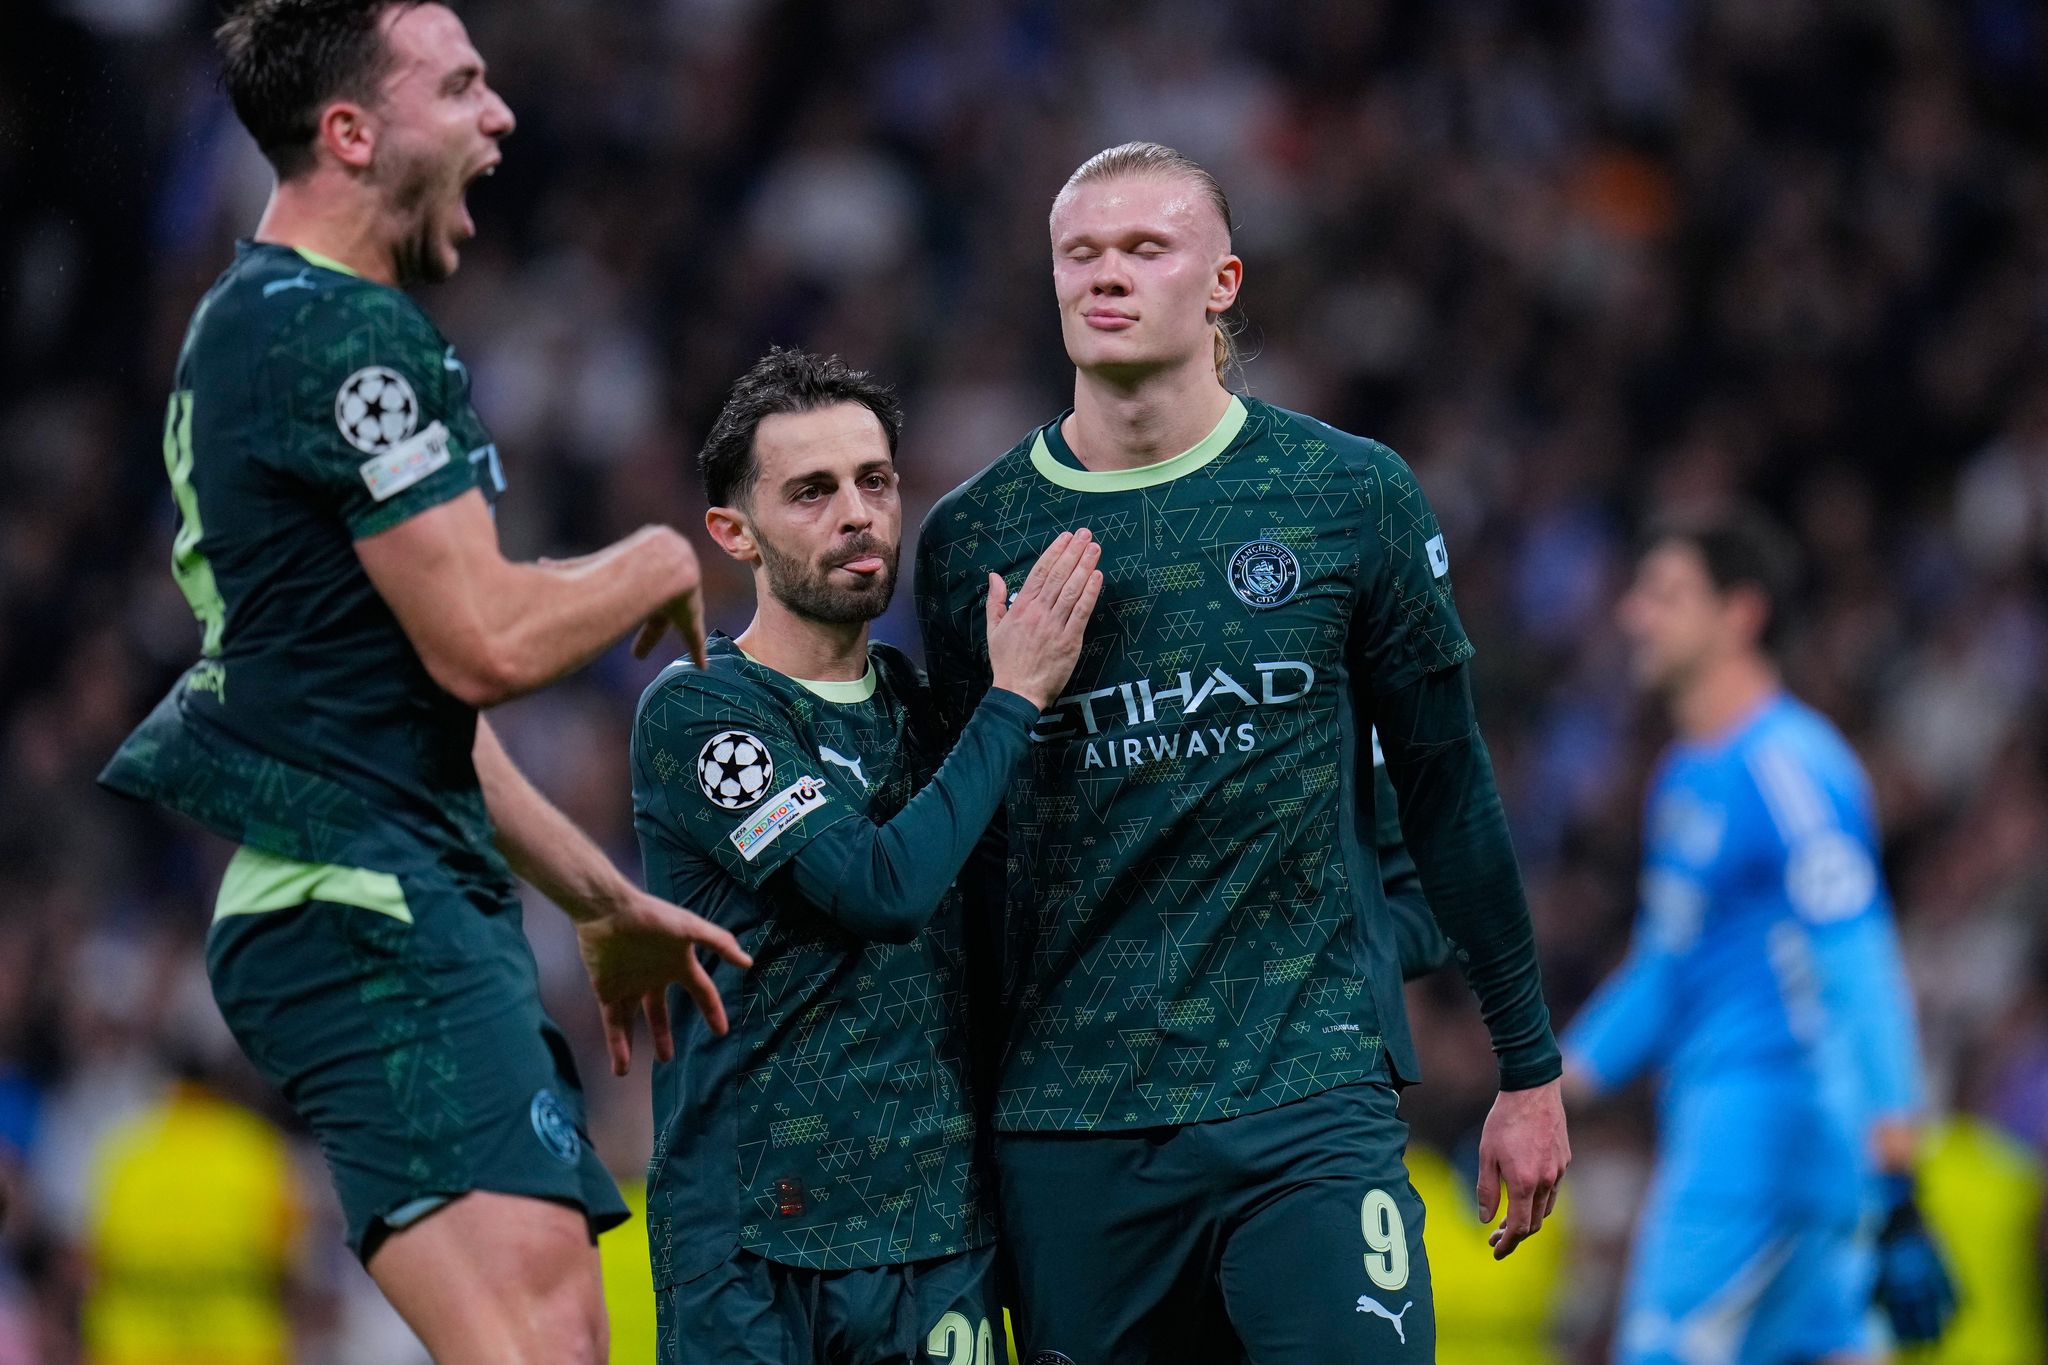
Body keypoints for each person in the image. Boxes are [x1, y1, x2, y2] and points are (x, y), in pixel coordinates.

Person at [96, 3, 750, 1360]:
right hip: (367, 902)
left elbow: (416, 703)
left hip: (364, 888)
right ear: (351, 131)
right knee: (542, 1342)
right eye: (458, 87)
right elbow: (483, 646)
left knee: (551, 1335)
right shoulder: (337, 331)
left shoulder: (260, 322)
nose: (499, 116)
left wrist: (596, 894)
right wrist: (648, 558)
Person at [915, 140, 1569, 1365]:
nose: (1105, 275)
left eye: (1143, 248)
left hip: (1303, 1095)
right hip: (1069, 1126)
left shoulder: (1345, 494)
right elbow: (967, 868)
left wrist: (1527, 1067)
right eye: (1079, 253)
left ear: (1221, 282)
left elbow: (1448, 792)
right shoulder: (973, 537)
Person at [630, 349, 1101, 1365]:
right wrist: (1014, 698)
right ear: (734, 533)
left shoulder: (928, 713)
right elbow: (878, 889)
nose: (857, 514)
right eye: (812, 491)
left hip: (938, 1241)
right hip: (752, 1247)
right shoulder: (703, 710)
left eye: (874, 481)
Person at [1563, 514, 1955, 1363]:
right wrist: (1548, 1091)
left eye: (1667, 594)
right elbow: (1666, 970)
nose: (1634, 613)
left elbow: (1860, 962)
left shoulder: (1789, 766)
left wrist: (1899, 1172)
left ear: (1741, 613)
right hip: (1768, 1138)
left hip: (1757, 1137)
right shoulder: (1684, 774)